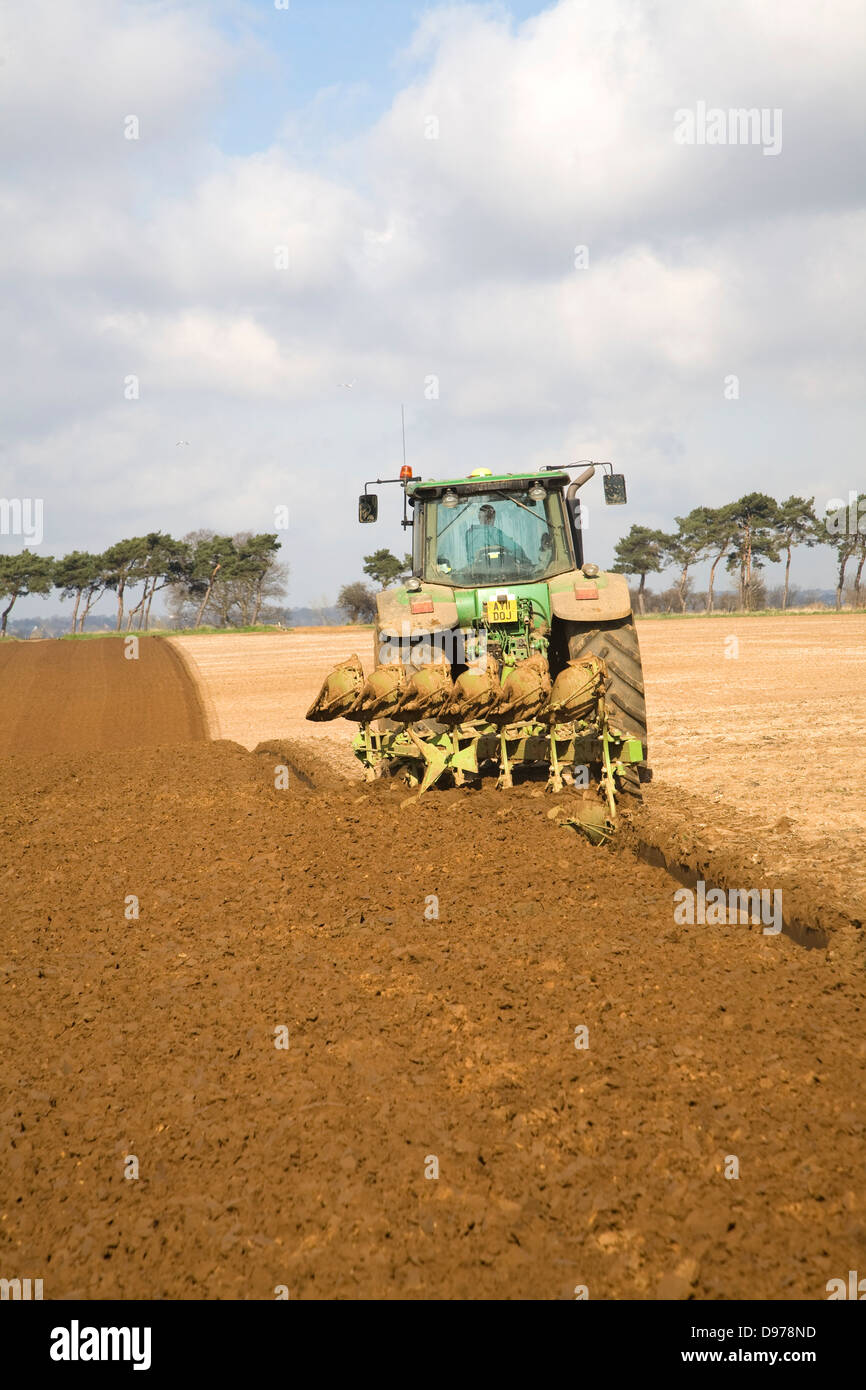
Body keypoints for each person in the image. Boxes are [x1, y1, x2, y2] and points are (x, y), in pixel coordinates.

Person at [465, 504, 529, 567]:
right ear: (490, 519)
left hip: (474, 572)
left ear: (479, 517)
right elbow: (516, 549)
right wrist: (527, 562)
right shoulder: (493, 532)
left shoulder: (469, 534)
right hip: (493, 570)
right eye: (493, 518)